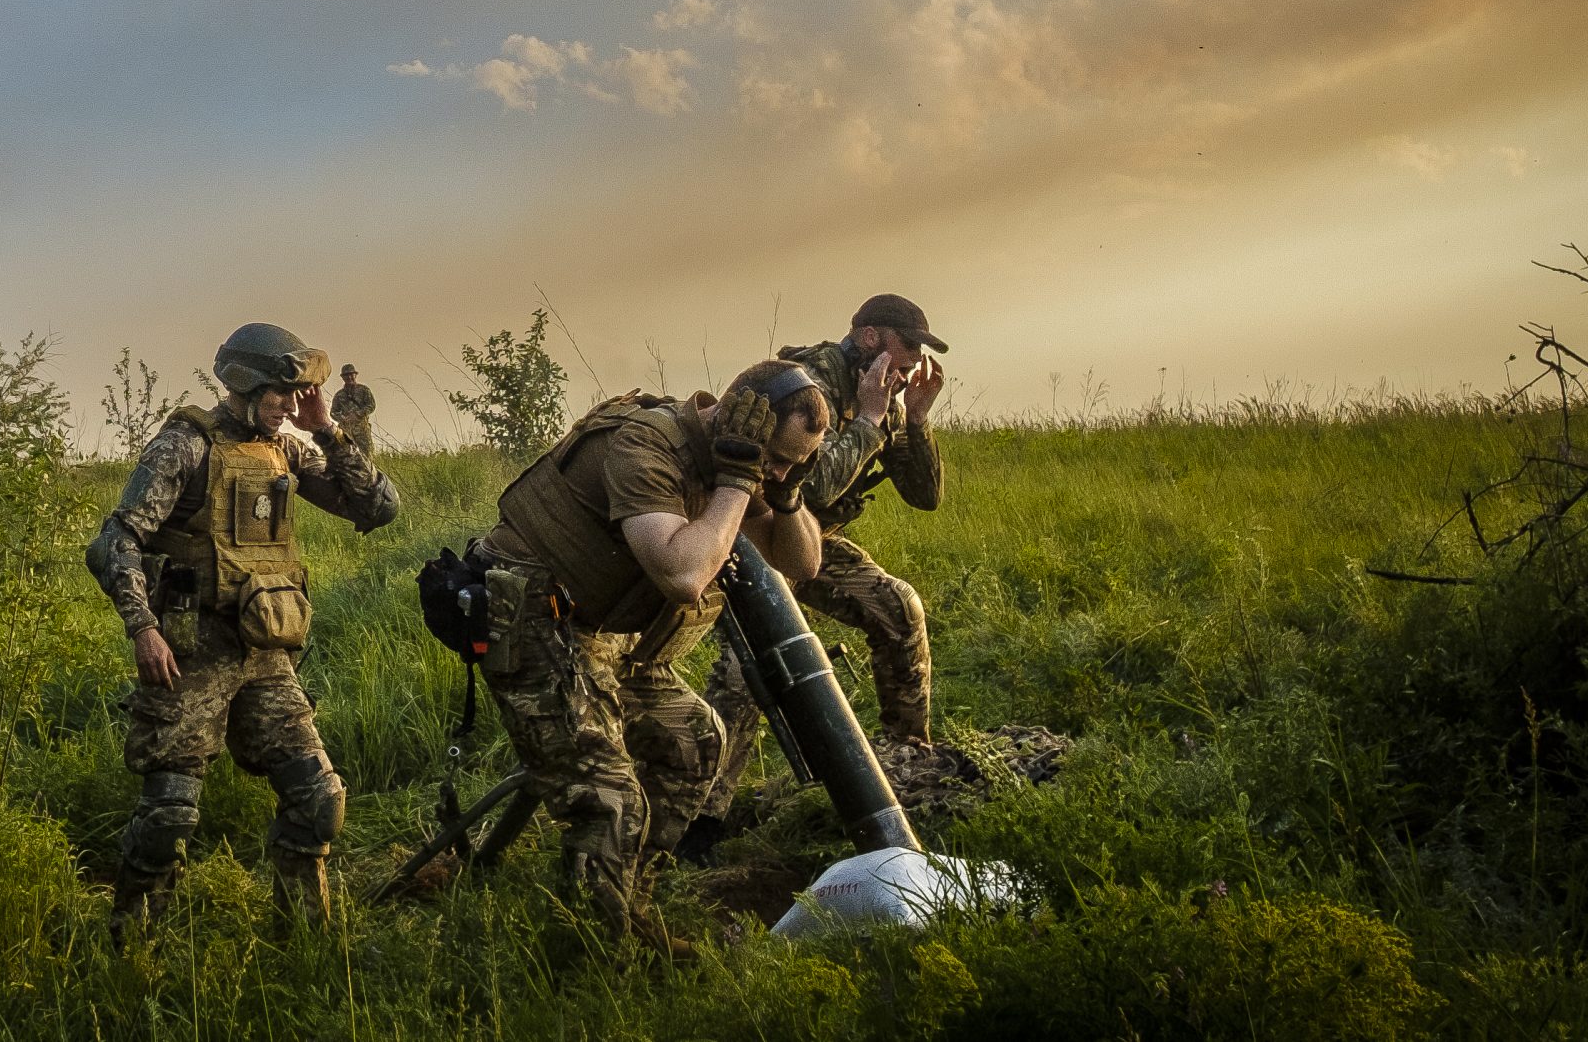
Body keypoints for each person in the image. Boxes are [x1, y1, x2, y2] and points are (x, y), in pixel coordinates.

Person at [474, 360, 828, 945]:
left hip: (600, 631)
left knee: (697, 741)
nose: (777, 470)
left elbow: (800, 566)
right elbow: (682, 573)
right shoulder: (646, 445)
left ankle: (627, 902)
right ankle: (594, 956)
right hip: (532, 617)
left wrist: (784, 495)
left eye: (794, 462)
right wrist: (738, 484)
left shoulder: (740, 455)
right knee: (610, 799)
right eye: (777, 457)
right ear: (740, 418)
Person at [84, 322, 401, 929]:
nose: (290, 406)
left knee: (319, 799)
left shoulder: (288, 448)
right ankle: (132, 945)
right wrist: (142, 628)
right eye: (282, 394)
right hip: (188, 651)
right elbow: (115, 541)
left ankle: (303, 941)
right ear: (246, 386)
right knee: (168, 815)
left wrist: (329, 432)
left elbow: (378, 508)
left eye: (295, 395)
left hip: (264, 653)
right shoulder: (185, 445)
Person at [689, 295, 946, 846]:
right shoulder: (805, 386)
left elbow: (925, 495)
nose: (912, 365)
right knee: (749, 669)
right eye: (909, 349)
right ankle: (701, 822)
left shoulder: (883, 398)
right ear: (872, 337)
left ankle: (906, 754)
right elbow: (807, 484)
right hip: (755, 535)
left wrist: (916, 422)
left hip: (812, 541)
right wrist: (873, 418)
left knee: (898, 607)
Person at [331, 363, 378, 455]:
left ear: (355, 375)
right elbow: (333, 412)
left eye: (351, 374)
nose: (349, 377)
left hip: (362, 430)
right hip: (346, 431)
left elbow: (371, 405)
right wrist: (342, 418)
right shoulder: (339, 395)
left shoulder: (364, 390)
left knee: (368, 455)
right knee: (346, 456)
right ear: (342, 378)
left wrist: (357, 414)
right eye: (346, 375)